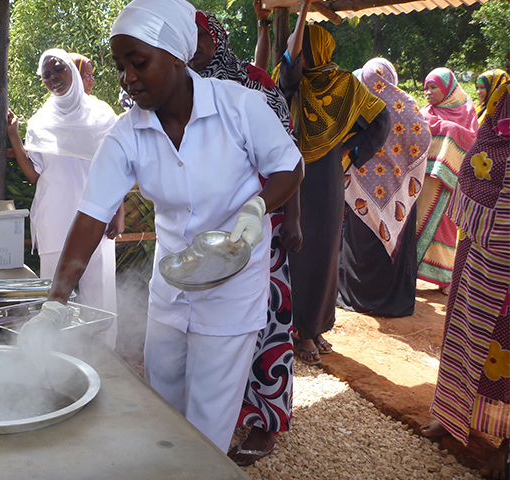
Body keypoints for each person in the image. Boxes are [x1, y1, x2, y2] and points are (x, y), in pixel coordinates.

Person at [18, 0, 303, 453]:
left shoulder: (240, 107)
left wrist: (257, 208)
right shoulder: (127, 132)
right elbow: (91, 217)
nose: (127, 77)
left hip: (231, 291)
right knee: (162, 411)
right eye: (119, 66)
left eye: (138, 62)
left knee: (208, 422)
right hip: (171, 288)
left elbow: (290, 167)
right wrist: (55, 304)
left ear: (176, 56)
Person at [188, 8, 301, 466]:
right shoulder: (174, 89)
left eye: (198, 37)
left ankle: (267, 421)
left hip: (260, 223)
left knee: (268, 321)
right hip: (203, 231)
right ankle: (222, 413)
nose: (191, 46)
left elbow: (288, 158)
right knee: (214, 325)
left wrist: (290, 219)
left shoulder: (254, 82)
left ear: (216, 39)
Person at [273, 0, 391, 366]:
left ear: (315, 50)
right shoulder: (296, 81)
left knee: (322, 253)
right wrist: (294, 13)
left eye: (303, 46)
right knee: (298, 252)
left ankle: (313, 327)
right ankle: (297, 328)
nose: (298, 55)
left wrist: (348, 155)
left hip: (318, 179)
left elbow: (382, 120)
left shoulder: (342, 84)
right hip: (302, 180)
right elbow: (288, 65)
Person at [420, 80, 510, 480]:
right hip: (476, 248)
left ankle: (506, 445)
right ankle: (452, 414)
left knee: (502, 348)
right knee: (463, 332)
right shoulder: (499, 107)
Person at [6, 49, 123, 348]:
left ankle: (107, 360)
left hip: (96, 218)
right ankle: (55, 357)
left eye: (58, 69)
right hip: (53, 217)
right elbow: (35, 174)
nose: (53, 78)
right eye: (46, 75)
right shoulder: (41, 121)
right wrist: (15, 137)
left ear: (72, 69)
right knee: (54, 296)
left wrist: (118, 211)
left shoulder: (102, 116)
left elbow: (116, 167)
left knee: (100, 296)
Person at [337, 58, 431, 317]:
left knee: (362, 244)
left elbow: (346, 140)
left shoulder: (365, 107)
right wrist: (403, 166)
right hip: (400, 190)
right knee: (394, 240)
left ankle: (359, 297)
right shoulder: (408, 106)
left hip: (362, 187)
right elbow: (424, 138)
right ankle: (393, 300)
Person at [416, 68, 478, 293]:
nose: (428, 93)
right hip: (425, 182)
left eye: (434, 88)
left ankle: (445, 277)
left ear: (448, 89)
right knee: (418, 225)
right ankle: (412, 272)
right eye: (426, 88)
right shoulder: (424, 112)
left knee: (446, 228)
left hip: (453, 184)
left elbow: (472, 140)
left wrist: (447, 129)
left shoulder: (467, 111)